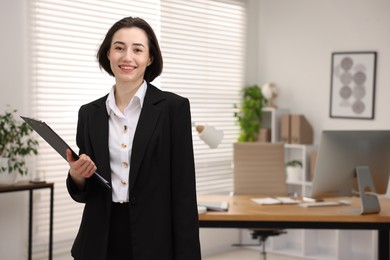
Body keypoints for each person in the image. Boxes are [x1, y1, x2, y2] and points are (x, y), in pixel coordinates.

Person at [65, 16, 201, 260]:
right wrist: (77, 176)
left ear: (150, 58)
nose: (127, 57)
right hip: (98, 240)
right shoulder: (89, 113)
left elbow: (183, 193)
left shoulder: (173, 108)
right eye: (119, 48)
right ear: (108, 54)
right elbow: (86, 192)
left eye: (137, 49)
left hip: (154, 241)